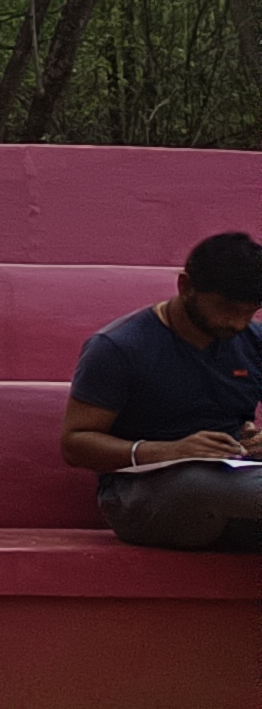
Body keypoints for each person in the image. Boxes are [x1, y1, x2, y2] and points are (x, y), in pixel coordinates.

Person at [61, 233, 262, 551]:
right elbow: (75, 444)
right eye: (227, 308)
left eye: (250, 312)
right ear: (186, 287)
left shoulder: (252, 340)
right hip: (144, 493)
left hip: (237, 488)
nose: (238, 323)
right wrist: (170, 451)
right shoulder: (119, 347)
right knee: (200, 484)